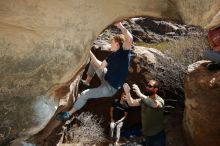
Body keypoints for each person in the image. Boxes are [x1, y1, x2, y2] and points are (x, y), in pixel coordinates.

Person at [56, 21, 133, 121]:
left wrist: (120, 25)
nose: (110, 45)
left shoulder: (124, 52)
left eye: (112, 43)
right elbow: (100, 66)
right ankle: (87, 82)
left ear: (117, 44)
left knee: (84, 94)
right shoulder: (112, 55)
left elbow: (130, 38)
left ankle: (68, 114)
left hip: (110, 88)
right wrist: (89, 51)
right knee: (93, 63)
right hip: (106, 76)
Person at [123, 80, 165, 146]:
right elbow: (132, 103)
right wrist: (127, 92)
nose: (147, 87)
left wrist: (140, 94)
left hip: (157, 136)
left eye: (150, 86)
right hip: (147, 135)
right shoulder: (144, 99)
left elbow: (154, 105)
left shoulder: (159, 100)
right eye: (147, 85)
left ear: (155, 89)